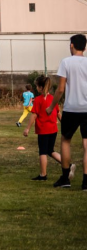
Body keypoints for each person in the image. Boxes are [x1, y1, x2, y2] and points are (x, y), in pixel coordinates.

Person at [47, 33, 87, 190]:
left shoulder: (66, 62)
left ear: (72, 45)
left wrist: (51, 107)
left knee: (65, 141)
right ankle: (86, 182)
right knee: (86, 144)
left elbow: (60, 89)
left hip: (71, 108)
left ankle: (65, 179)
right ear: (84, 47)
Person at [24, 75, 62, 181]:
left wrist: (27, 128)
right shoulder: (53, 98)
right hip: (53, 129)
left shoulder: (38, 100)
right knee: (50, 150)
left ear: (41, 87)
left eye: (37, 86)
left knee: (43, 152)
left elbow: (34, 115)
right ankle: (67, 165)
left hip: (43, 130)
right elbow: (58, 113)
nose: (36, 88)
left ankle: (43, 175)